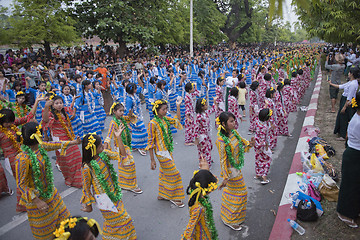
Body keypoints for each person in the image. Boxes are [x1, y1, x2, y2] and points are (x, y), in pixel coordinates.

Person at [16, 122, 80, 239]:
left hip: (52, 194)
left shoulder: (40, 147)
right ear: (35, 136)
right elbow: (21, 185)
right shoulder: (22, 159)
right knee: (49, 235)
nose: (42, 133)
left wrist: (74, 142)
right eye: (39, 132)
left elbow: (54, 144)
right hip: (38, 202)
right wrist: (37, 201)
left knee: (66, 224)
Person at [81, 132, 137, 240]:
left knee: (115, 223)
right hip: (104, 200)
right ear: (93, 149)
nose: (103, 146)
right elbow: (86, 188)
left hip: (114, 194)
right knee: (124, 219)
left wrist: (118, 137)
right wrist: (89, 205)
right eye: (100, 146)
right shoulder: (87, 167)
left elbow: (122, 155)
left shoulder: (104, 154)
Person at [0, 95, 44, 212]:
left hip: (23, 154)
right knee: (22, 181)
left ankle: (33, 199)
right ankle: (24, 205)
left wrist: (36, 102)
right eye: (6, 123)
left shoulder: (13, 125)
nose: (9, 124)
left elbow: (28, 117)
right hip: (12, 159)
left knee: (31, 177)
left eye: (10, 121)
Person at [215, 112, 254, 231]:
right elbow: (222, 160)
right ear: (223, 124)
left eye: (234, 121)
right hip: (231, 172)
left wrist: (250, 144)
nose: (234, 123)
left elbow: (243, 142)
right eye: (231, 121)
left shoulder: (234, 133)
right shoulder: (221, 141)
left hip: (237, 168)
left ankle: (228, 215)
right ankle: (230, 220)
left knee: (232, 192)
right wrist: (226, 177)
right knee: (242, 192)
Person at [146, 98, 185, 207]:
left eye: (166, 108)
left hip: (168, 150)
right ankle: (174, 197)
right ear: (157, 110)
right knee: (174, 173)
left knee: (164, 173)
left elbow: (177, 121)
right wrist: (152, 160)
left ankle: (163, 194)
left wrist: (178, 106)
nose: (166, 111)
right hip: (160, 153)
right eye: (163, 109)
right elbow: (150, 142)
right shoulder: (152, 123)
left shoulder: (166, 119)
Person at [42, 95, 83, 188]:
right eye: (56, 103)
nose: (59, 105)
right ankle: (69, 180)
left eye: (61, 103)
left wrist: (73, 100)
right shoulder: (51, 114)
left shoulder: (64, 111)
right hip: (60, 141)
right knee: (66, 162)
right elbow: (45, 120)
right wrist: (46, 107)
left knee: (77, 157)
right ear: (52, 105)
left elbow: (71, 110)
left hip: (70, 138)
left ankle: (77, 180)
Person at [104, 102, 142, 194]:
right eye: (120, 111)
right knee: (128, 164)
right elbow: (109, 135)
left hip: (126, 146)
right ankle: (130, 185)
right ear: (114, 111)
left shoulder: (122, 119)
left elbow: (132, 119)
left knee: (127, 165)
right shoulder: (113, 123)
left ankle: (125, 184)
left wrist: (130, 114)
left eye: (123, 111)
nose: (122, 113)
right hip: (120, 147)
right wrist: (105, 147)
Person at [336, 92, 360, 228]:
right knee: (350, 186)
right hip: (354, 156)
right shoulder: (357, 122)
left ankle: (355, 209)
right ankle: (344, 213)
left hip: (354, 153)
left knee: (356, 185)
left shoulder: (356, 118)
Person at [181, 161, 219, 240]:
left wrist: (205, 169)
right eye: (210, 190)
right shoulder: (199, 209)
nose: (211, 191)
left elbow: (200, 177)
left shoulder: (194, 190)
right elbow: (190, 228)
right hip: (202, 234)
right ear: (205, 191)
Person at [328, 65, 360, 141]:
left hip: (347, 102)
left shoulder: (353, 84)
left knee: (344, 117)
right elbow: (341, 86)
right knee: (341, 116)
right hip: (344, 100)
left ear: (352, 74)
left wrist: (344, 107)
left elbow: (349, 97)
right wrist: (331, 83)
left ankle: (343, 135)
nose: (348, 73)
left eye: (349, 72)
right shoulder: (351, 82)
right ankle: (340, 132)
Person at [125, 82, 148, 155]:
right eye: (135, 88)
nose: (137, 89)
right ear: (133, 90)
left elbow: (142, 87)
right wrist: (131, 117)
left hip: (139, 115)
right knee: (142, 131)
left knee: (136, 131)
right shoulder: (129, 99)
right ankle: (140, 147)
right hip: (134, 117)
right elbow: (128, 110)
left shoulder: (134, 95)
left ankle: (134, 146)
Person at [194, 98, 217, 168]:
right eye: (206, 105)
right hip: (202, 136)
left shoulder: (205, 113)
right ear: (202, 107)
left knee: (209, 147)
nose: (207, 106)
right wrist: (196, 138)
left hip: (207, 135)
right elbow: (196, 127)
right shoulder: (199, 116)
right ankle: (204, 164)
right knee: (203, 149)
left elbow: (213, 110)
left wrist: (214, 102)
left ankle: (207, 161)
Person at [254, 108, 272, 184]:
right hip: (263, 145)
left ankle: (258, 173)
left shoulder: (257, 122)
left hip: (256, 143)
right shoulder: (265, 127)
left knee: (258, 158)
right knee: (268, 159)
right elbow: (266, 138)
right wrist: (268, 146)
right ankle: (264, 175)